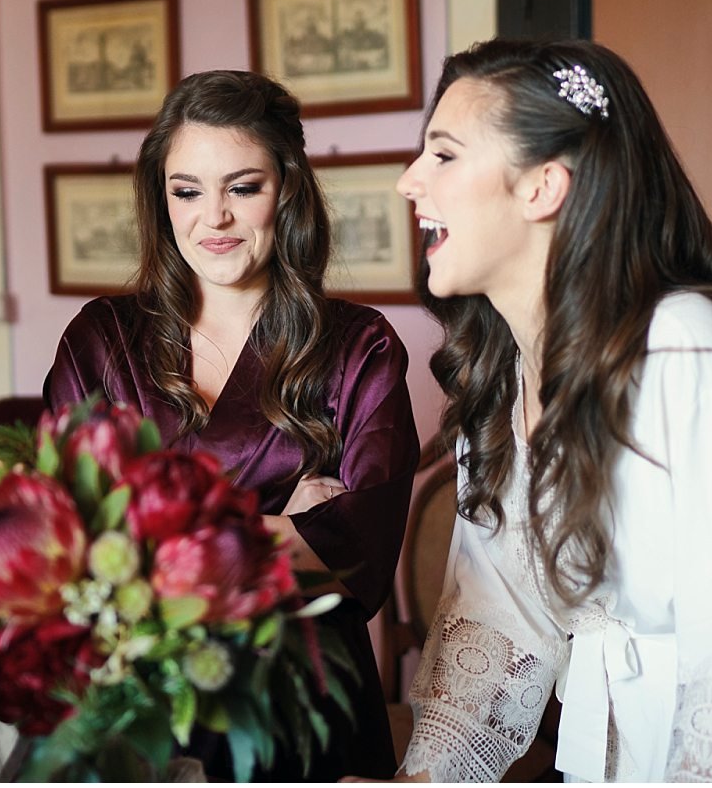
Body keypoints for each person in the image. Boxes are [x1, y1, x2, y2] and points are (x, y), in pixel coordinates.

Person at [393, 39, 712, 783]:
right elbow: (498, 616)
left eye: (444, 155)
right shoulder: (500, 376)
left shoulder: (686, 349)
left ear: (542, 187)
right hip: (606, 747)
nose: (409, 182)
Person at [28, 69, 419, 780]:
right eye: (187, 191)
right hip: (139, 701)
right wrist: (280, 530)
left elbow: (360, 545)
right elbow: (63, 540)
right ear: (162, 198)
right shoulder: (100, 339)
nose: (214, 218)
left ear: (289, 188)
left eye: (243, 187)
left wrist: (144, 535)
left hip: (299, 702)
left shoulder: (361, 346)